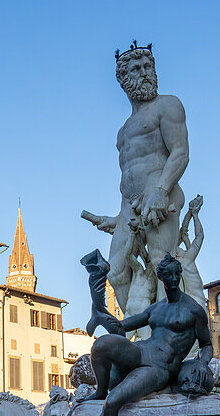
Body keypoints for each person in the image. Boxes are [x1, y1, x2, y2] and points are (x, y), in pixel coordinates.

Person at [61, 254, 212, 416]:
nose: (173, 279)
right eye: (168, 276)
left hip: (160, 367)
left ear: (180, 276)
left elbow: (207, 345)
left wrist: (202, 363)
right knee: (101, 345)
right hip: (142, 352)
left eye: (176, 275)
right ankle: (99, 391)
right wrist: (100, 310)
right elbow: (121, 327)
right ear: (161, 278)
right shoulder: (156, 309)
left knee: (115, 401)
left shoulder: (193, 311)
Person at [80, 43, 193, 314]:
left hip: (161, 192)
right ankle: (141, 338)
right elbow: (128, 179)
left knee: (161, 264)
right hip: (129, 206)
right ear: (123, 79)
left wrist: (161, 190)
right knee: (116, 272)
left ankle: (175, 337)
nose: (145, 73)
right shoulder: (123, 131)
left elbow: (180, 151)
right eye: (136, 68)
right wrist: (117, 218)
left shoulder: (167, 105)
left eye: (148, 67)